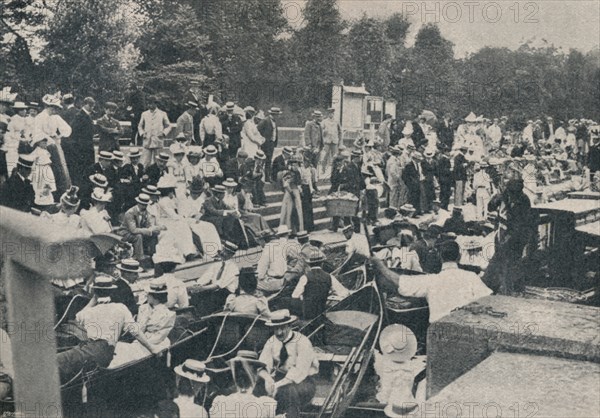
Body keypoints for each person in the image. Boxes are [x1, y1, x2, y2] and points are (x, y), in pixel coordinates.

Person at [56, 275, 160, 382]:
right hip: (106, 352)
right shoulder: (121, 308)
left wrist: (93, 300)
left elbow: (78, 317)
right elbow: (136, 332)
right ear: (112, 292)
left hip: (93, 350)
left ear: (95, 292)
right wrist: (152, 349)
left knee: (54, 361)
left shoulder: (88, 312)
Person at [371, 240, 493, 323]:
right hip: (466, 332)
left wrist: (380, 265)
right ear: (459, 257)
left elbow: (399, 281)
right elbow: (489, 302)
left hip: (438, 334)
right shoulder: (472, 277)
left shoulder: (430, 281)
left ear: (440, 258)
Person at [483, 172, 537, 294]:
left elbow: (522, 222)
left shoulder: (523, 200)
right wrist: (497, 197)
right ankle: (496, 287)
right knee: (499, 261)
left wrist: (510, 237)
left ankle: (511, 290)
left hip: (516, 237)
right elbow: (490, 207)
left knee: (512, 264)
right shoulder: (504, 195)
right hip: (501, 233)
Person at [257, 313, 318, 418]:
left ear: (289, 326)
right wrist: (268, 379)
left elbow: (300, 371)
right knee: (256, 387)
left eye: (282, 328)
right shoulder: (272, 341)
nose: (279, 332)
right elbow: (262, 364)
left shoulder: (302, 342)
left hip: (303, 381)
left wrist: (277, 385)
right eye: (276, 329)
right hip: (278, 378)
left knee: (287, 390)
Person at [110, 280, 175, 368]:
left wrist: (141, 343)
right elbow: (139, 327)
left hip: (156, 343)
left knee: (127, 353)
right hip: (141, 340)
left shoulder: (168, 314)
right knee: (119, 347)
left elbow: (159, 337)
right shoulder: (143, 308)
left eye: (148, 294)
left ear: (154, 297)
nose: (146, 296)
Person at [210, 351, 277, 417]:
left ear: (234, 375)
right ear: (256, 376)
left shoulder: (220, 403)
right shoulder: (266, 405)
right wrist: (270, 394)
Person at [291, 251, 350, 320]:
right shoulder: (329, 277)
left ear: (310, 265)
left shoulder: (305, 277)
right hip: (322, 312)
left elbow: (295, 296)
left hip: (308, 314)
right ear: (322, 263)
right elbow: (344, 293)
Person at [34, 94, 72, 196]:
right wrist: (47, 138)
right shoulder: (39, 118)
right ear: (47, 106)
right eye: (53, 107)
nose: (55, 110)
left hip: (55, 147)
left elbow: (68, 129)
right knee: (45, 171)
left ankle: (59, 193)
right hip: (43, 147)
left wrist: (59, 136)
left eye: (56, 107)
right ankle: (46, 194)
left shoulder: (56, 118)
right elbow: (36, 133)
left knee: (59, 170)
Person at [191, 241, 240, 316]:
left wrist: (203, 288)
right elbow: (205, 277)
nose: (222, 253)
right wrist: (197, 285)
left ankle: (206, 318)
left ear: (231, 255)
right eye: (223, 250)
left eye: (226, 252)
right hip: (213, 289)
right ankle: (197, 317)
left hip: (226, 292)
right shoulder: (217, 265)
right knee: (195, 296)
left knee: (209, 301)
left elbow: (219, 285)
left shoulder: (233, 268)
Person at [121, 193, 165, 261]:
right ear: (138, 203)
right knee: (138, 236)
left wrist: (152, 229)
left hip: (138, 231)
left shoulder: (146, 212)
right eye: (143, 204)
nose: (144, 206)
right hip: (126, 233)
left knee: (155, 233)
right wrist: (148, 231)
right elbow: (133, 230)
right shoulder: (130, 213)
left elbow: (149, 223)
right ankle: (140, 258)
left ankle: (153, 256)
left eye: (146, 204)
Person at [256, 225, 299, 294]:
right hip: (283, 279)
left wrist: (258, 276)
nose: (259, 244)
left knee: (252, 284)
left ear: (263, 240)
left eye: (260, 241)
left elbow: (261, 272)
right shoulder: (281, 244)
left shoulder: (267, 248)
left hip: (274, 282)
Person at [138, 96, 171, 167]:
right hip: (147, 140)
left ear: (156, 104)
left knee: (159, 161)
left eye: (152, 103)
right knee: (145, 161)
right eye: (148, 104)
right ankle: (144, 175)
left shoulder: (162, 114)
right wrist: (142, 133)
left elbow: (168, 126)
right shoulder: (144, 114)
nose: (150, 105)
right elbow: (140, 126)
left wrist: (163, 133)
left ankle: (158, 176)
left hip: (158, 140)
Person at [29, 133, 56, 208]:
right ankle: (40, 201)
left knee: (47, 186)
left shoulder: (45, 151)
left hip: (46, 169)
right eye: (43, 142)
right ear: (38, 143)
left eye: (45, 143)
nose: (45, 144)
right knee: (40, 187)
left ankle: (48, 201)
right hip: (40, 171)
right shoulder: (37, 151)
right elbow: (33, 161)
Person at [279, 157, 304, 233]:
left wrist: (300, 190)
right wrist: (291, 192)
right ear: (291, 166)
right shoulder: (289, 173)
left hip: (296, 192)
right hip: (290, 193)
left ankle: (298, 229)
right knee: (288, 211)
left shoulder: (298, 173)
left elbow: (299, 183)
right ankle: (288, 230)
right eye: (294, 165)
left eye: (297, 165)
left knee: (298, 210)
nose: (296, 167)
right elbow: (285, 184)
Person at [258, 107, 281, 183]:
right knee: (263, 160)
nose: (278, 116)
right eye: (277, 115)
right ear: (274, 114)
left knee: (269, 160)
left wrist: (274, 142)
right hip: (265, 144)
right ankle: (260, 177)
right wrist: (262, 140)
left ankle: (267, 177)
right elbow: (258, 130)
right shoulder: (265, 121)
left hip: (271, 144)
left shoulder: (274, 121)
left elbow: (275, 132)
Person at [402, 152, 424, 216]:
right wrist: (409, 184)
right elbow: (405, 176)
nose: (419, 160)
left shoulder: (417, 164)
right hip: (412, 185)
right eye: (418, 159)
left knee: (417, 198)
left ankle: (418, 211)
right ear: (415, 158)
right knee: (412, 199)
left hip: (417, 184)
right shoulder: (409, 165)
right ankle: (413, 213)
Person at [436, 144, 453, 210]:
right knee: (445, 193)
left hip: (444, 179)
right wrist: (450, 171)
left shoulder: (443, 159)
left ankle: (444, 206)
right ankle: (443, 207)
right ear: (445, 152)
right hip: (445, 179)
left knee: (445, 193)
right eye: (448, 152)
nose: (449, 153)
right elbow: (443, 170)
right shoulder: (444, 159)